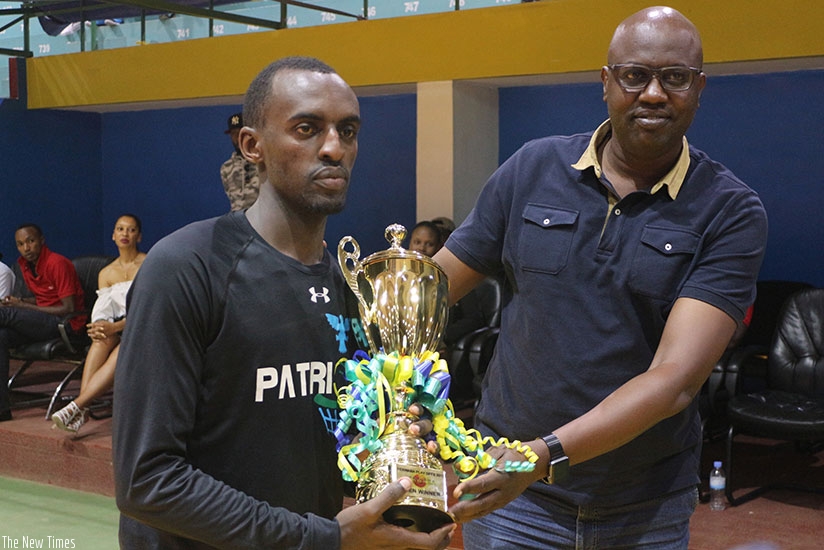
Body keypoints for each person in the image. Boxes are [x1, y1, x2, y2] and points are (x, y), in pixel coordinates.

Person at [439, 7, 768, 549]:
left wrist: (542, 456)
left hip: (642, 507)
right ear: (606, 81)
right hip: (511, 500)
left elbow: (675, 379)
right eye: (635, 75)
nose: (655, 93)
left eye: (676, 77)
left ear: (700, 87)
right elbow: (432, 291)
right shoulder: (532, 168)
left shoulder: (728, 210)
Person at [112, 56, 454, 549]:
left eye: (349, 131)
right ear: (253, 146)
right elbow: (147, 481)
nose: (334, 148)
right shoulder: (187, 266)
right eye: (307, 129)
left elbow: (321, 448)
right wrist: (323, 539)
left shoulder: (354, 289)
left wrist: (393, 455)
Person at [51, 214, 146, 434]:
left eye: (131, 230)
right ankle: (81, 410)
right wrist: (100, 326)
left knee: (121, 346)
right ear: (113, 235)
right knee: (101, 340)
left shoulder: (148, 264)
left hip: (144, 327)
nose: (125, 234)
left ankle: (78, 405)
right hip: (119, 327)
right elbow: (103, 311)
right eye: (120, 229)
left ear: (138, 236)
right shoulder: (106, 273)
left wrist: (115, 327)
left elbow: (147, 311)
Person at [0, 224, 86, 422]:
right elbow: (46, 298)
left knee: (6, 314)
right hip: (43, 322)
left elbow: (68, 308)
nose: (26, 248)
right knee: (1, 335)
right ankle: (2, 409)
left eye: (30, 241)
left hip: (66, 325)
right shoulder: (24, 265)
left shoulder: (57, 263)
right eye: (20, 244)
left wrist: (23, 307)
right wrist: (20, 302)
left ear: (42, 240)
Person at [220, 111, 261, 211]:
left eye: (240, 133)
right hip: (238, 221)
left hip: (264, 220)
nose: (237, 138)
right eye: (233, 134)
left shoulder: (265, 161)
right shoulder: (226, 167)